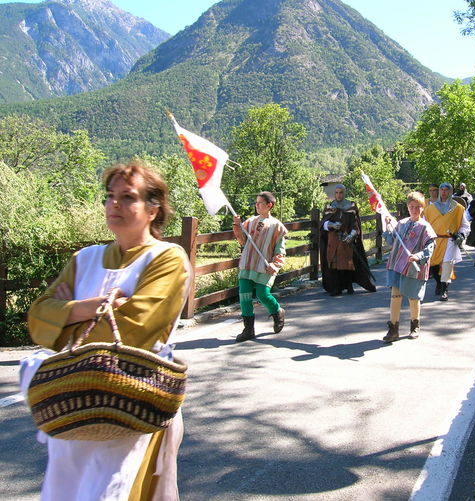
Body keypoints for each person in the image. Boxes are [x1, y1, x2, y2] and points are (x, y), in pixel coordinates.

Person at [27, 160, 192, 501]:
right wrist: (94, 306)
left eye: (128, 197)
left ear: (152, 209)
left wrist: (65, 317)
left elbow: (136, 332)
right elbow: (37, 321)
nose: (114, 204)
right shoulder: (84, 259)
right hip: (74, 410)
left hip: (133, 408)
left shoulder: (166, 259)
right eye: (109, 196)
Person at [233, 191, 288, 342]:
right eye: (256, 203)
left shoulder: (277, 226)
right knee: (244, 295)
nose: (256, 205)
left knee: (263, 294)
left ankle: (277, 312)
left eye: (260, 203)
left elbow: (280, 250)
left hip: (265, 266)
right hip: (248, 263)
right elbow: (242, 240)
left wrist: (275, 265)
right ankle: (248, 330)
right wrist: (237, 225)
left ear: (269, 205)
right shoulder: (250, 222)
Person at [381, 191, 436, 343]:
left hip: (414, 267)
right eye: (412, 206)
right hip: (397, 265)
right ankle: (393, 329)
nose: (414, 209)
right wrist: (387, 227)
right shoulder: (401, 223)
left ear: (423, 208)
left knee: (413, 297)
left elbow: (431, 246)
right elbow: (392, 241)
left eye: (418, 207)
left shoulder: (425, 227)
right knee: (395, 295)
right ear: (407, 207)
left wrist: (418, 256)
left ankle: (415, 325)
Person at [319, 184, 376, 296]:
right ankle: (336, 288)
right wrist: (331, 224)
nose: (338, 195)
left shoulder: (351, 207)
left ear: (344, 193)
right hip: (333, 240)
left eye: (340, 192)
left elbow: (356, 225)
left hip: (346, 240)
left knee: (347, 263)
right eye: (336, 192)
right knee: (334, 263)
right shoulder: (329, 207)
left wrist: (351, 235)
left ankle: (349, 286)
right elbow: (323, 224)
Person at [423, 182, 469, 301]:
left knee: (447, 265)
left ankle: (444, 290)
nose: (444, 192)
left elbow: (465, 225)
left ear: (450, 192)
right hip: (434, 240)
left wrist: (461, 235)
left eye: (446, 190)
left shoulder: (458, 208)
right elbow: (423, 224)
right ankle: (439, 282)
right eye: (442, 189)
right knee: (432, 265)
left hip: (450, 240)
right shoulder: (430, 209)